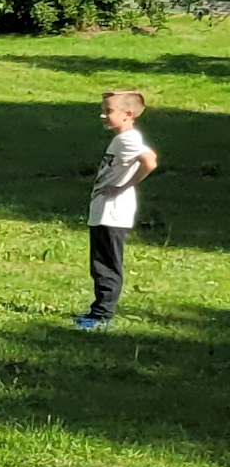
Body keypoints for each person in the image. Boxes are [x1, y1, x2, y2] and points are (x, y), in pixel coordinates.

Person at [74, 87, 156, 331]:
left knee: (107, 264)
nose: (103, 116)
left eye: (108, 111)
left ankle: (102, 316)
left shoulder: (129, 139)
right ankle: (97, 309)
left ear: (127, 114)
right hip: (103, 210)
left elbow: (150, 160)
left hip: (114, 212)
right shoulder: (121, 139)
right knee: (99, 263)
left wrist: (123, 186)